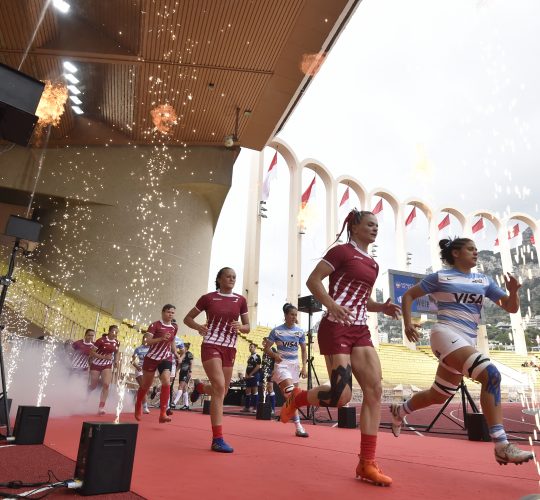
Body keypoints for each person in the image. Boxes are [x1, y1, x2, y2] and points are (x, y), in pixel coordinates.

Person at [279, 209, 400, 486]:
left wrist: (380, 307)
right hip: (335, 327)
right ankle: (297, 398)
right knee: (341, 396)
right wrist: (331, 304)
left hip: (360, 330)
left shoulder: (373, 264)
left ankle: (366, 463)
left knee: (375, 390)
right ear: (354, 227)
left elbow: (362, 300)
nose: (374, 229)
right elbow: (313, 280)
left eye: (377, 225)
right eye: (369, 224)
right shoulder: (342, 251)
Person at [391, 237, 534, 466]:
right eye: (470, 249)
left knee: (438, 395)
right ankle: (501, 444)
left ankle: (400, 410)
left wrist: (514, 291)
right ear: (456, 253)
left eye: (477, 249)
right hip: (445, 333)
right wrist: (407, 324)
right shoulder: (440, 277)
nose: (476, 252)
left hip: (465, 340)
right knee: (491, 375)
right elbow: (408, 295)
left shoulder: (484, 280)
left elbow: (511, 307)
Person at [183, 267, 250, 453]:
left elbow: (248, 327)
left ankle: (200, 388)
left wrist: (241, 326)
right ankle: (217, 439)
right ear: (219, 279)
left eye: (234, 277)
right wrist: (198, 327)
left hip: (230, 347)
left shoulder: (241, 300)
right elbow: (187, 318)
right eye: (228, 276)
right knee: (220, 387)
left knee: (222, 390)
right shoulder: (208, 298)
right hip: (211, 344)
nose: (232, 279)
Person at [266, 303, 308, 437]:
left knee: (294, 398)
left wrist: (304, 367)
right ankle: (299, 426)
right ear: (285, 315)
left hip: (294, 366)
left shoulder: (300, 332)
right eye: (291, 314)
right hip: (282, 364)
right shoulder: (276, 331)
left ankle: (291, 415)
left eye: (296, 315)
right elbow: (266, 349)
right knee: (291, 394)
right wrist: (274, 355)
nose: (294, 317)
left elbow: (303, 350)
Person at [134, 304, 180, 423]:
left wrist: (175, 352)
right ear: (163, 312)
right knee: (146, 385)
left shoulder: (174, 327)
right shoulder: (155, 325)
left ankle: (163, 413)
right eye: (168, 312)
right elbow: (146, 342)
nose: (170, 314)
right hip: (152, 358)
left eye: (172, 313)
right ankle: (138, 404)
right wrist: (160, 338)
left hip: (166, 357)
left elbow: (173, 340)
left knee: (166, 381)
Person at [88, 325, 120, 415]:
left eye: (117, 333)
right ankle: (87, 393)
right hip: (96, 364)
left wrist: (116, 360)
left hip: (107, 365)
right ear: (109, 331)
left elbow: (116, 352)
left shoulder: (117, 342)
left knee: (106, 385)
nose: (115, 334)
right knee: (93, 385)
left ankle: (101, 407)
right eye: (114, 332)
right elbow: (92, 352)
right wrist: (103, 357)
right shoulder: (101, 340)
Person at [132, 332, 152, 414]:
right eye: (145, 338)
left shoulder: (152, 349)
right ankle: (145, 407)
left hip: (148, 371)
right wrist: (137, 366)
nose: (147, 340)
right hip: (139, 370)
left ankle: (134, 400)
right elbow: (132, 360)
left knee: (145, 389)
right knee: (144, 387)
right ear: (143, 339)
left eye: (149, 338)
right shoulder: (138, 349)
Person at [173, 342, 194, 410]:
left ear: (186, 348)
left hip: (186, 372)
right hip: (182, 372)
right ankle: (186, 405)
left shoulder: (189, 354)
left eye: (183, 347)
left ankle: (174, 403)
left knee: (180, 386)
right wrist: (176, 372)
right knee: (184, 388)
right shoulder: (181, 355)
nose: (181, 348)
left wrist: (190, 371)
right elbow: (179, 365)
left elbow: (191, 363)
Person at [241, 343, 261, 413]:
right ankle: (247, 407)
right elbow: (248, 366)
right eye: (249, 347)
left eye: (251, 347)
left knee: (255, 392)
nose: (250, 348)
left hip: (255, 376)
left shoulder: (257, 356)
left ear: (255, 348)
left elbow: (258, 366)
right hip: (248, 377)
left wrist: (251, 374)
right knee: (247, 392)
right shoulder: (249, 357)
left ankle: (255, 408)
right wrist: (246, 374)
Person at [168, 334, 185, 414]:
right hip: (163, 361)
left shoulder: (179, 340)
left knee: (168, 385)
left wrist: (180, 358)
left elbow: (183, 353)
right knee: (166, 384)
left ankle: (167, 406)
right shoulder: (164, 335)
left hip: (173, 364)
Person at [261, 337, 277, 414]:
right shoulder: (264, 351)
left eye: (265, 341)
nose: (263, 342)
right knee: (265, 389)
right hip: (264, 371)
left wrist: (274, 370)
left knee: (270, 388)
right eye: (263, 341)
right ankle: (266, 407)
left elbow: (276, 360)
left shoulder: (273, 350)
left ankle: (272, 408)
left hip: (270, 371)